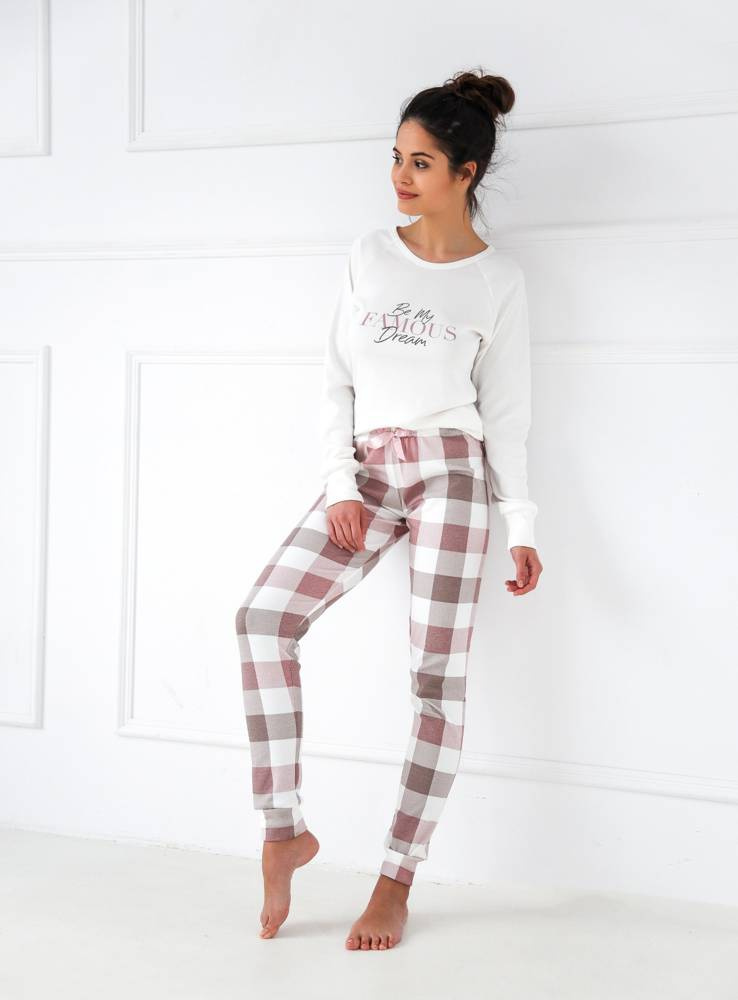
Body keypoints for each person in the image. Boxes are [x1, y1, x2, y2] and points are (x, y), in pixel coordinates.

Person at [234, 67, 544, 950]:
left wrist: (521, 524)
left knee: (435, 682)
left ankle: (396, 879)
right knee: (263, 620)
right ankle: (283, 828)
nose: (401, 177)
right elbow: (335, 380)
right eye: (397, 158)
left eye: (421, 162)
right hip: (368, 474)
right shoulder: (369, 253)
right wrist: (341, 486)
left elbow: (507, 415)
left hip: (452, 476)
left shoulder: (500, 280)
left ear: (466, 173)